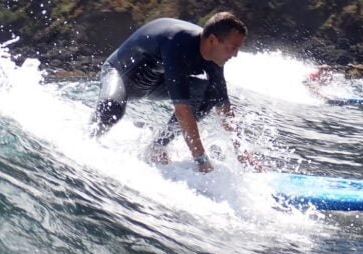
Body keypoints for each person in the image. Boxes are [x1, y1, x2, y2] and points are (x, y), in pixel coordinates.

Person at [91, 12, 260, 172]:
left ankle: (157, 147)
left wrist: (244, 154)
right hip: (120, 74)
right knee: (112, 108)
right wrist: (202, 161)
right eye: (232, 48)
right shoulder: (178, 42)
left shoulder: (214, 60)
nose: (236, 55)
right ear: (213, 40)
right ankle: (88, 141)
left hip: (154, 85)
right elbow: (182, 110)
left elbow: (225, 110)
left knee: (209, 95)